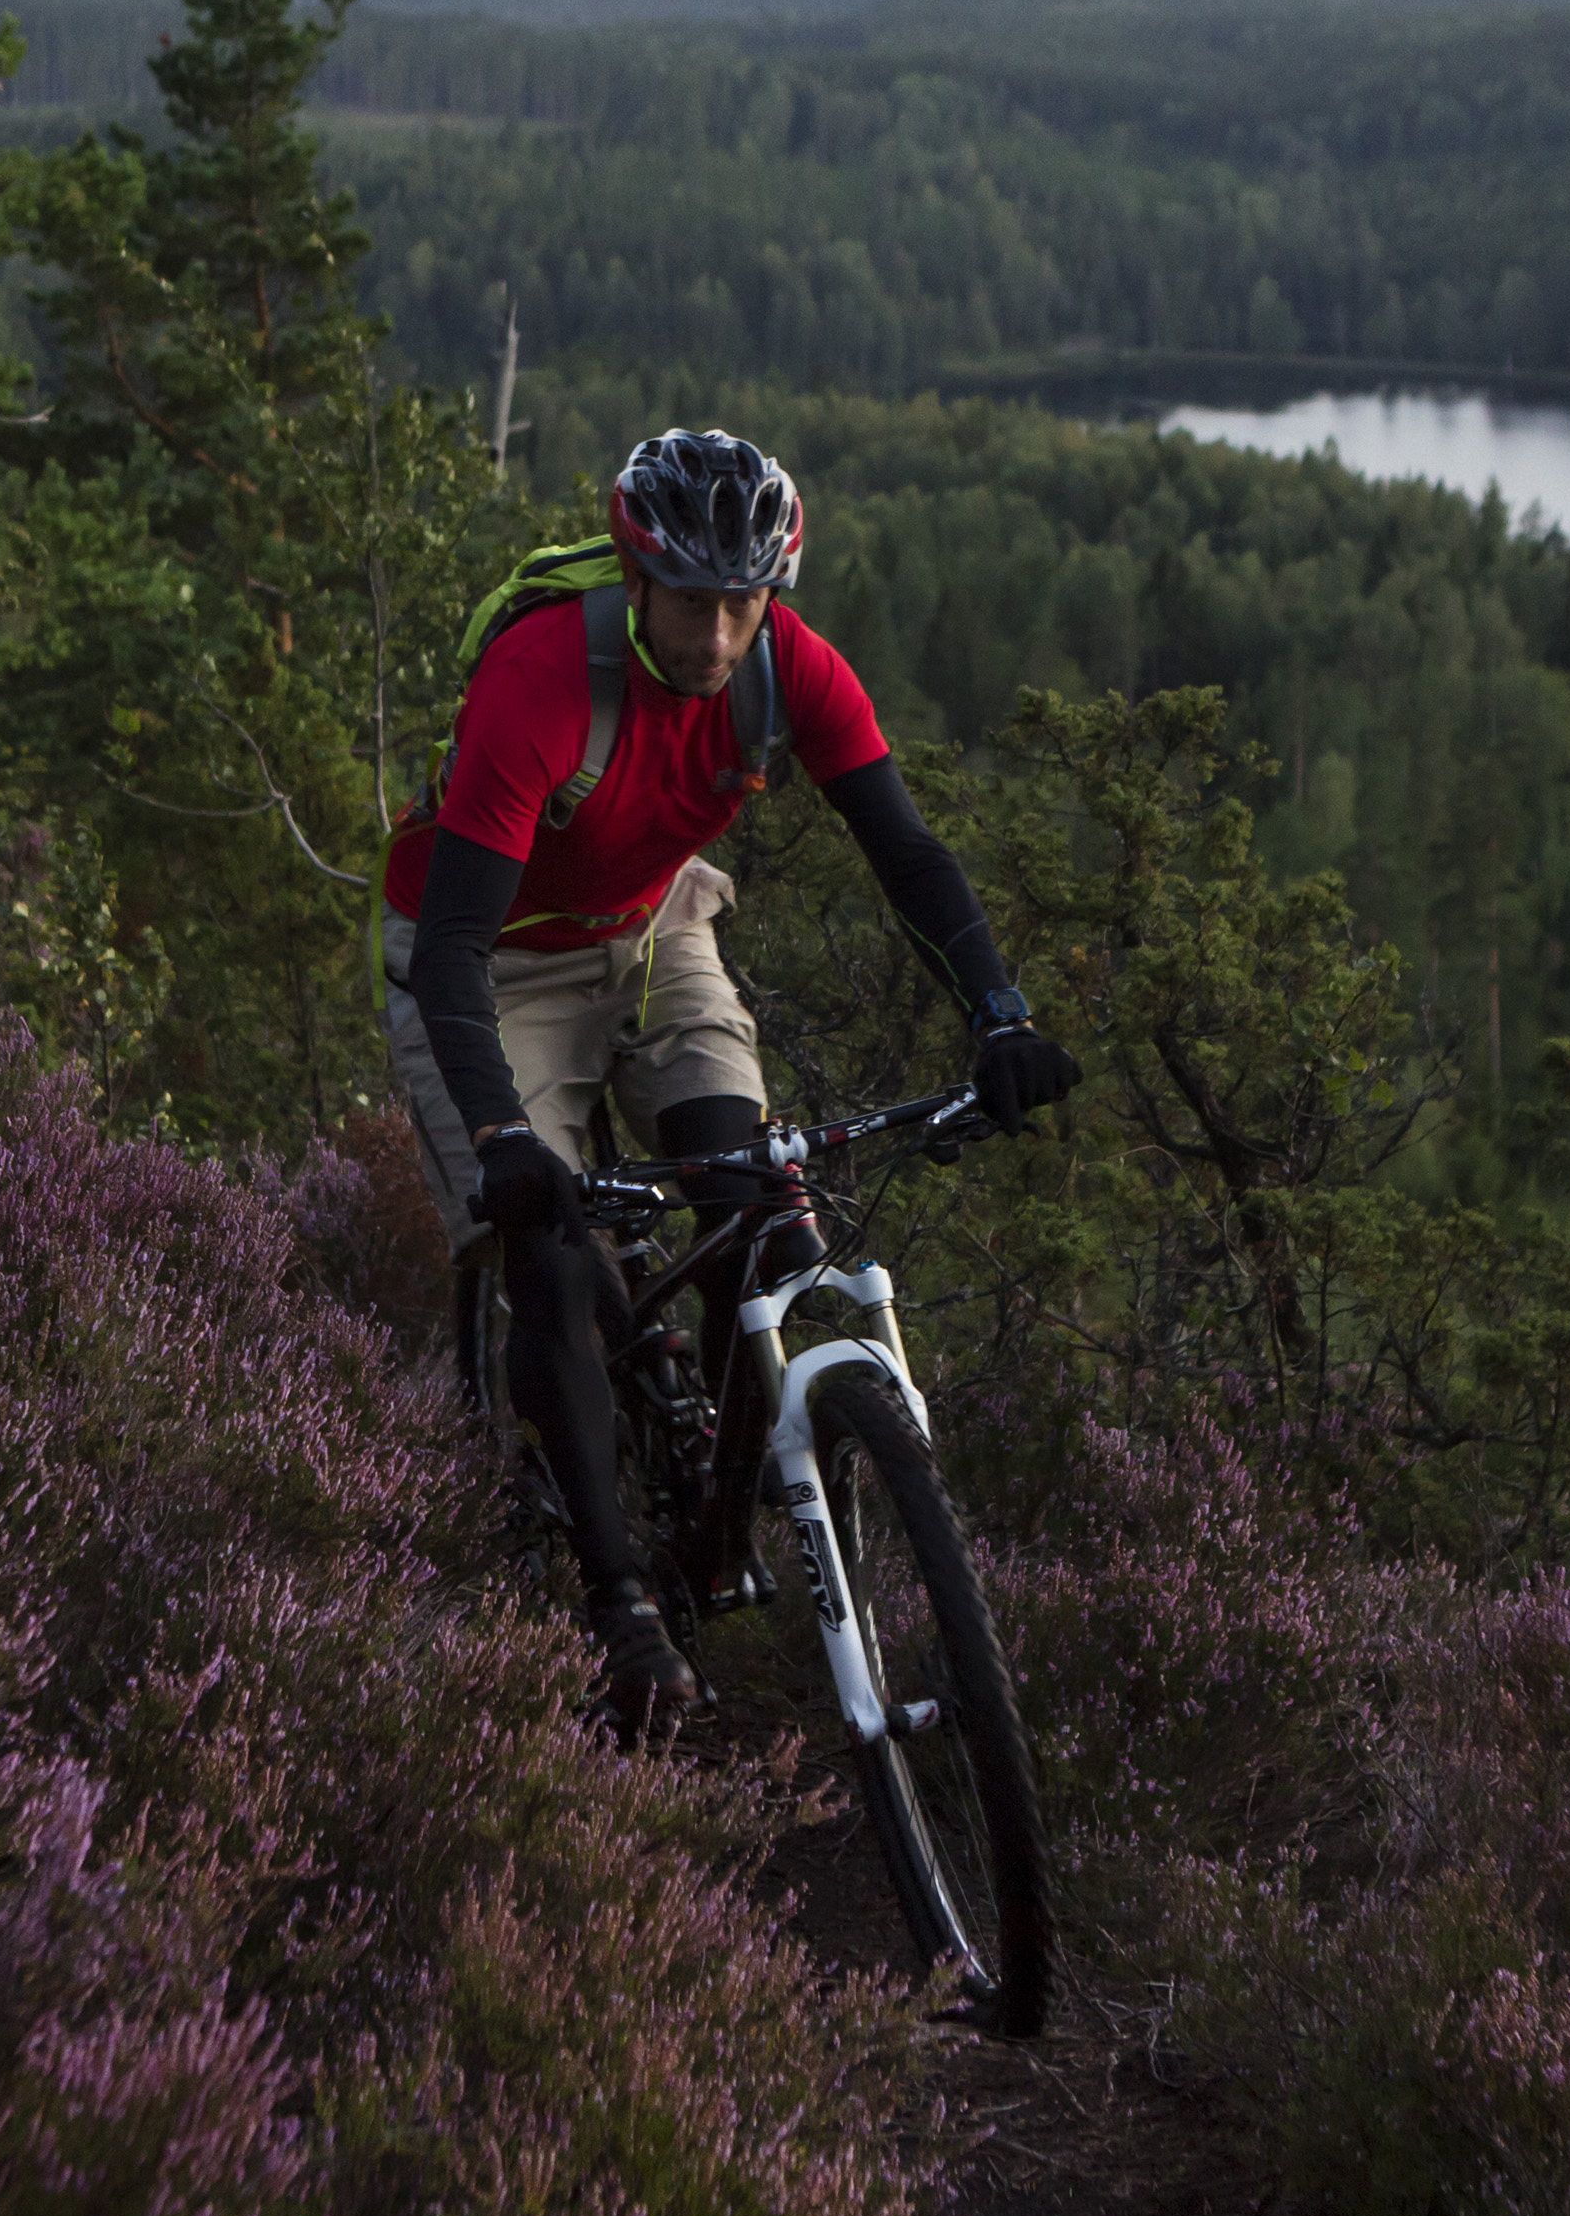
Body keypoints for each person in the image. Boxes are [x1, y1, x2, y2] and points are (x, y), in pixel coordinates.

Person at [383, 426, 1081, 1711]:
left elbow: (908, 858)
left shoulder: (789, 673)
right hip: (497, 963)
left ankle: (716, 1505)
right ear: (637, 582)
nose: (716, 637)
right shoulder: (543, 678)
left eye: (742, 602)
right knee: (544, 1256)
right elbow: (452, 955)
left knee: (759, 1203)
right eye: (693, 601)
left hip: (655, 929)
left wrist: (998, 1016)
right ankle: (618, 1604)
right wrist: (500, 1143)